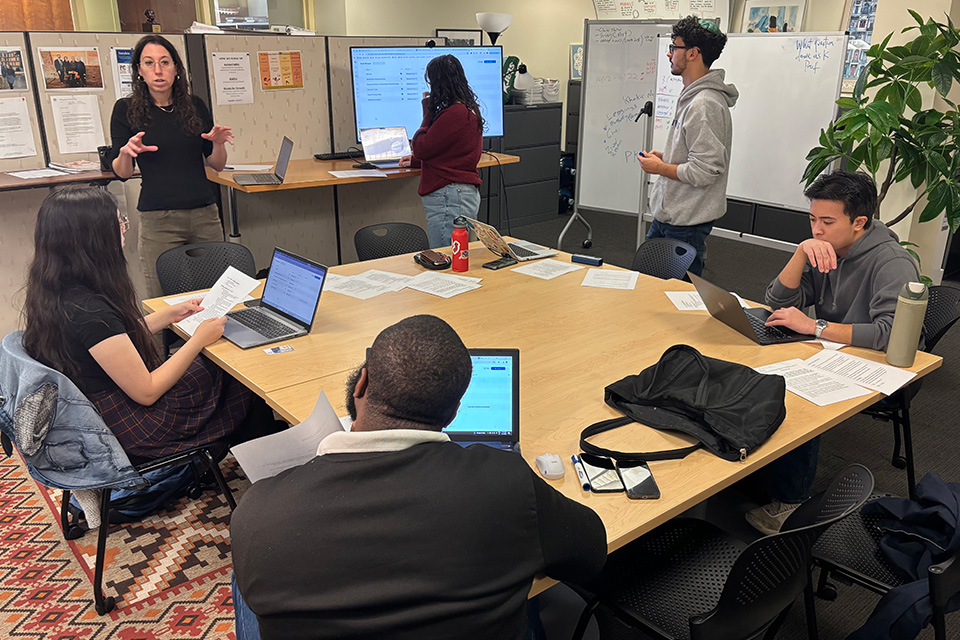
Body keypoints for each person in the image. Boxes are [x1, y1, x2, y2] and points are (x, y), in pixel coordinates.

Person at [231, 314, 607, 640]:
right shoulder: (507, 483)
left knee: (248, 575)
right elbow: (589, 555)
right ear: (455, 412)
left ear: (360, 385)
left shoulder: (258, 515)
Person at [20, 185, 261, 464]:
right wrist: (198, 340)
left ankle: (253, 440)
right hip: (132, 427)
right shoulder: (88, 311)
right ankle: (258, 447)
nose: (124, 228)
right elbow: (146, 391)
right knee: (233, 368)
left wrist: (168, 315)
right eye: (119, 222)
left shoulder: (58, 287)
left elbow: (110, 342)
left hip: (103, 411)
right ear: (94, 238)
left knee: (218, 366)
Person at [745, 170, 921, 535]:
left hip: (878, 364)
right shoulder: (825, 249)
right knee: (756, 371)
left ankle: (789, 506)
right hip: (833, 350)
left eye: (826, 221)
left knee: (798, 398)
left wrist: (816, 327)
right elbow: (778, 301)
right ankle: (755, 471)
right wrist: (799, 254)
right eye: (812, 219)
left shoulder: (893, 262)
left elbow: (892, 335)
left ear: (859, 222)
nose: (817, 230)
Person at [110, 34, 233, 298]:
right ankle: (167, 342)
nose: (158, 70)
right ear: (139, 71)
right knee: (162, 297)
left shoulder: (194, 106)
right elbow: (122, 173)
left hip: (204, 214)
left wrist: (219, 143)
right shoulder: (125, 109)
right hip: (158, 220)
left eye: (165, 62)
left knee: (216, 294)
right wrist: (126, 153)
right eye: (149, 63)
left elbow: (217, 164)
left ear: (176, 69)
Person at [638, 16, 738, 276]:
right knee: (648, 288)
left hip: (686, 221)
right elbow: (693, 155)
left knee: (675, 298)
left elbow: (706, 169)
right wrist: (667, 158)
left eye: (675, 47)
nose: (670, 54)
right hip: (670, 215)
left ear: (693, 53)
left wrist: (661, 168)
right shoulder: (692, 96)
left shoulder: (704, 103)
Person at [399, 54, 483, 249]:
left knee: (446, 258)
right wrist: (416, 162)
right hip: (458, 194)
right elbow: (450, 152)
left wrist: (427, 110)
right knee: (459, 257)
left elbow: (420, 146)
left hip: (449, 195)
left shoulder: (454, 114)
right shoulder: (468, 109)